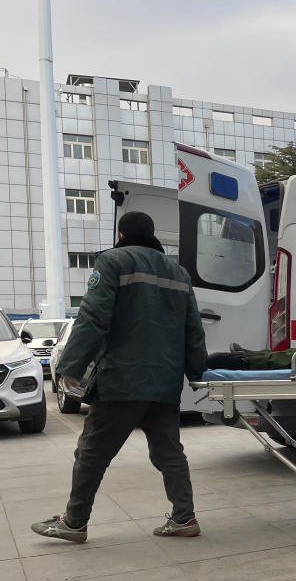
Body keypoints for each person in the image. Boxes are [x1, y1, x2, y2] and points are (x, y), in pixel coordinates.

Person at [32, 212, 207, 544]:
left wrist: (69, 365)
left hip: (123, 380)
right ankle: (184, 517)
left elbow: (93, 318)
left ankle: (74, 521)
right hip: (165, 383)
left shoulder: (113, 262)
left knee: (92, 451)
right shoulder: (179, 273)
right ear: (152, 233)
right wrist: (197, 372)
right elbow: (193, 330)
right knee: (169, 452)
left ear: (121, 233)